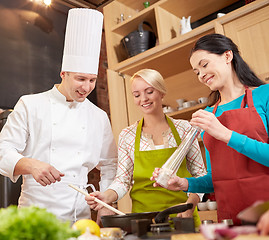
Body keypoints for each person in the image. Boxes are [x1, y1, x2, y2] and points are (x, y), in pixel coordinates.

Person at [0, 9, 117, 224]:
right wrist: (31, 165)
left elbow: (110, 165)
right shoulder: (30, 104)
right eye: (80, 79)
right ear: (63, 74)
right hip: (34, 216)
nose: (87, 87)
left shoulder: (99, 117)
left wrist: (106, 205)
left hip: (79, 217)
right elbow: (2, 151)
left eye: (92, 80)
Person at [152, 33, 269, 225]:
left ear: (227, 56)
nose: (201, 75)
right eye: (196, 72)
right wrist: (185, 183)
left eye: (204, 65)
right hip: (232, 217)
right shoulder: (208, 115)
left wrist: (224, 134)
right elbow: (217, 177)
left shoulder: (265, 95)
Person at [86, 69, 207, 227]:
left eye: (149, 92)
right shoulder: (127, 136)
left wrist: (190, 207)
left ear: (162, 92)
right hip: (143, 221)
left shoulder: (184, 129)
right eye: (136, 95)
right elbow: (122, 181)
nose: (143, 99)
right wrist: (106, 196)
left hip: (182, 217)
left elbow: (200, 176)